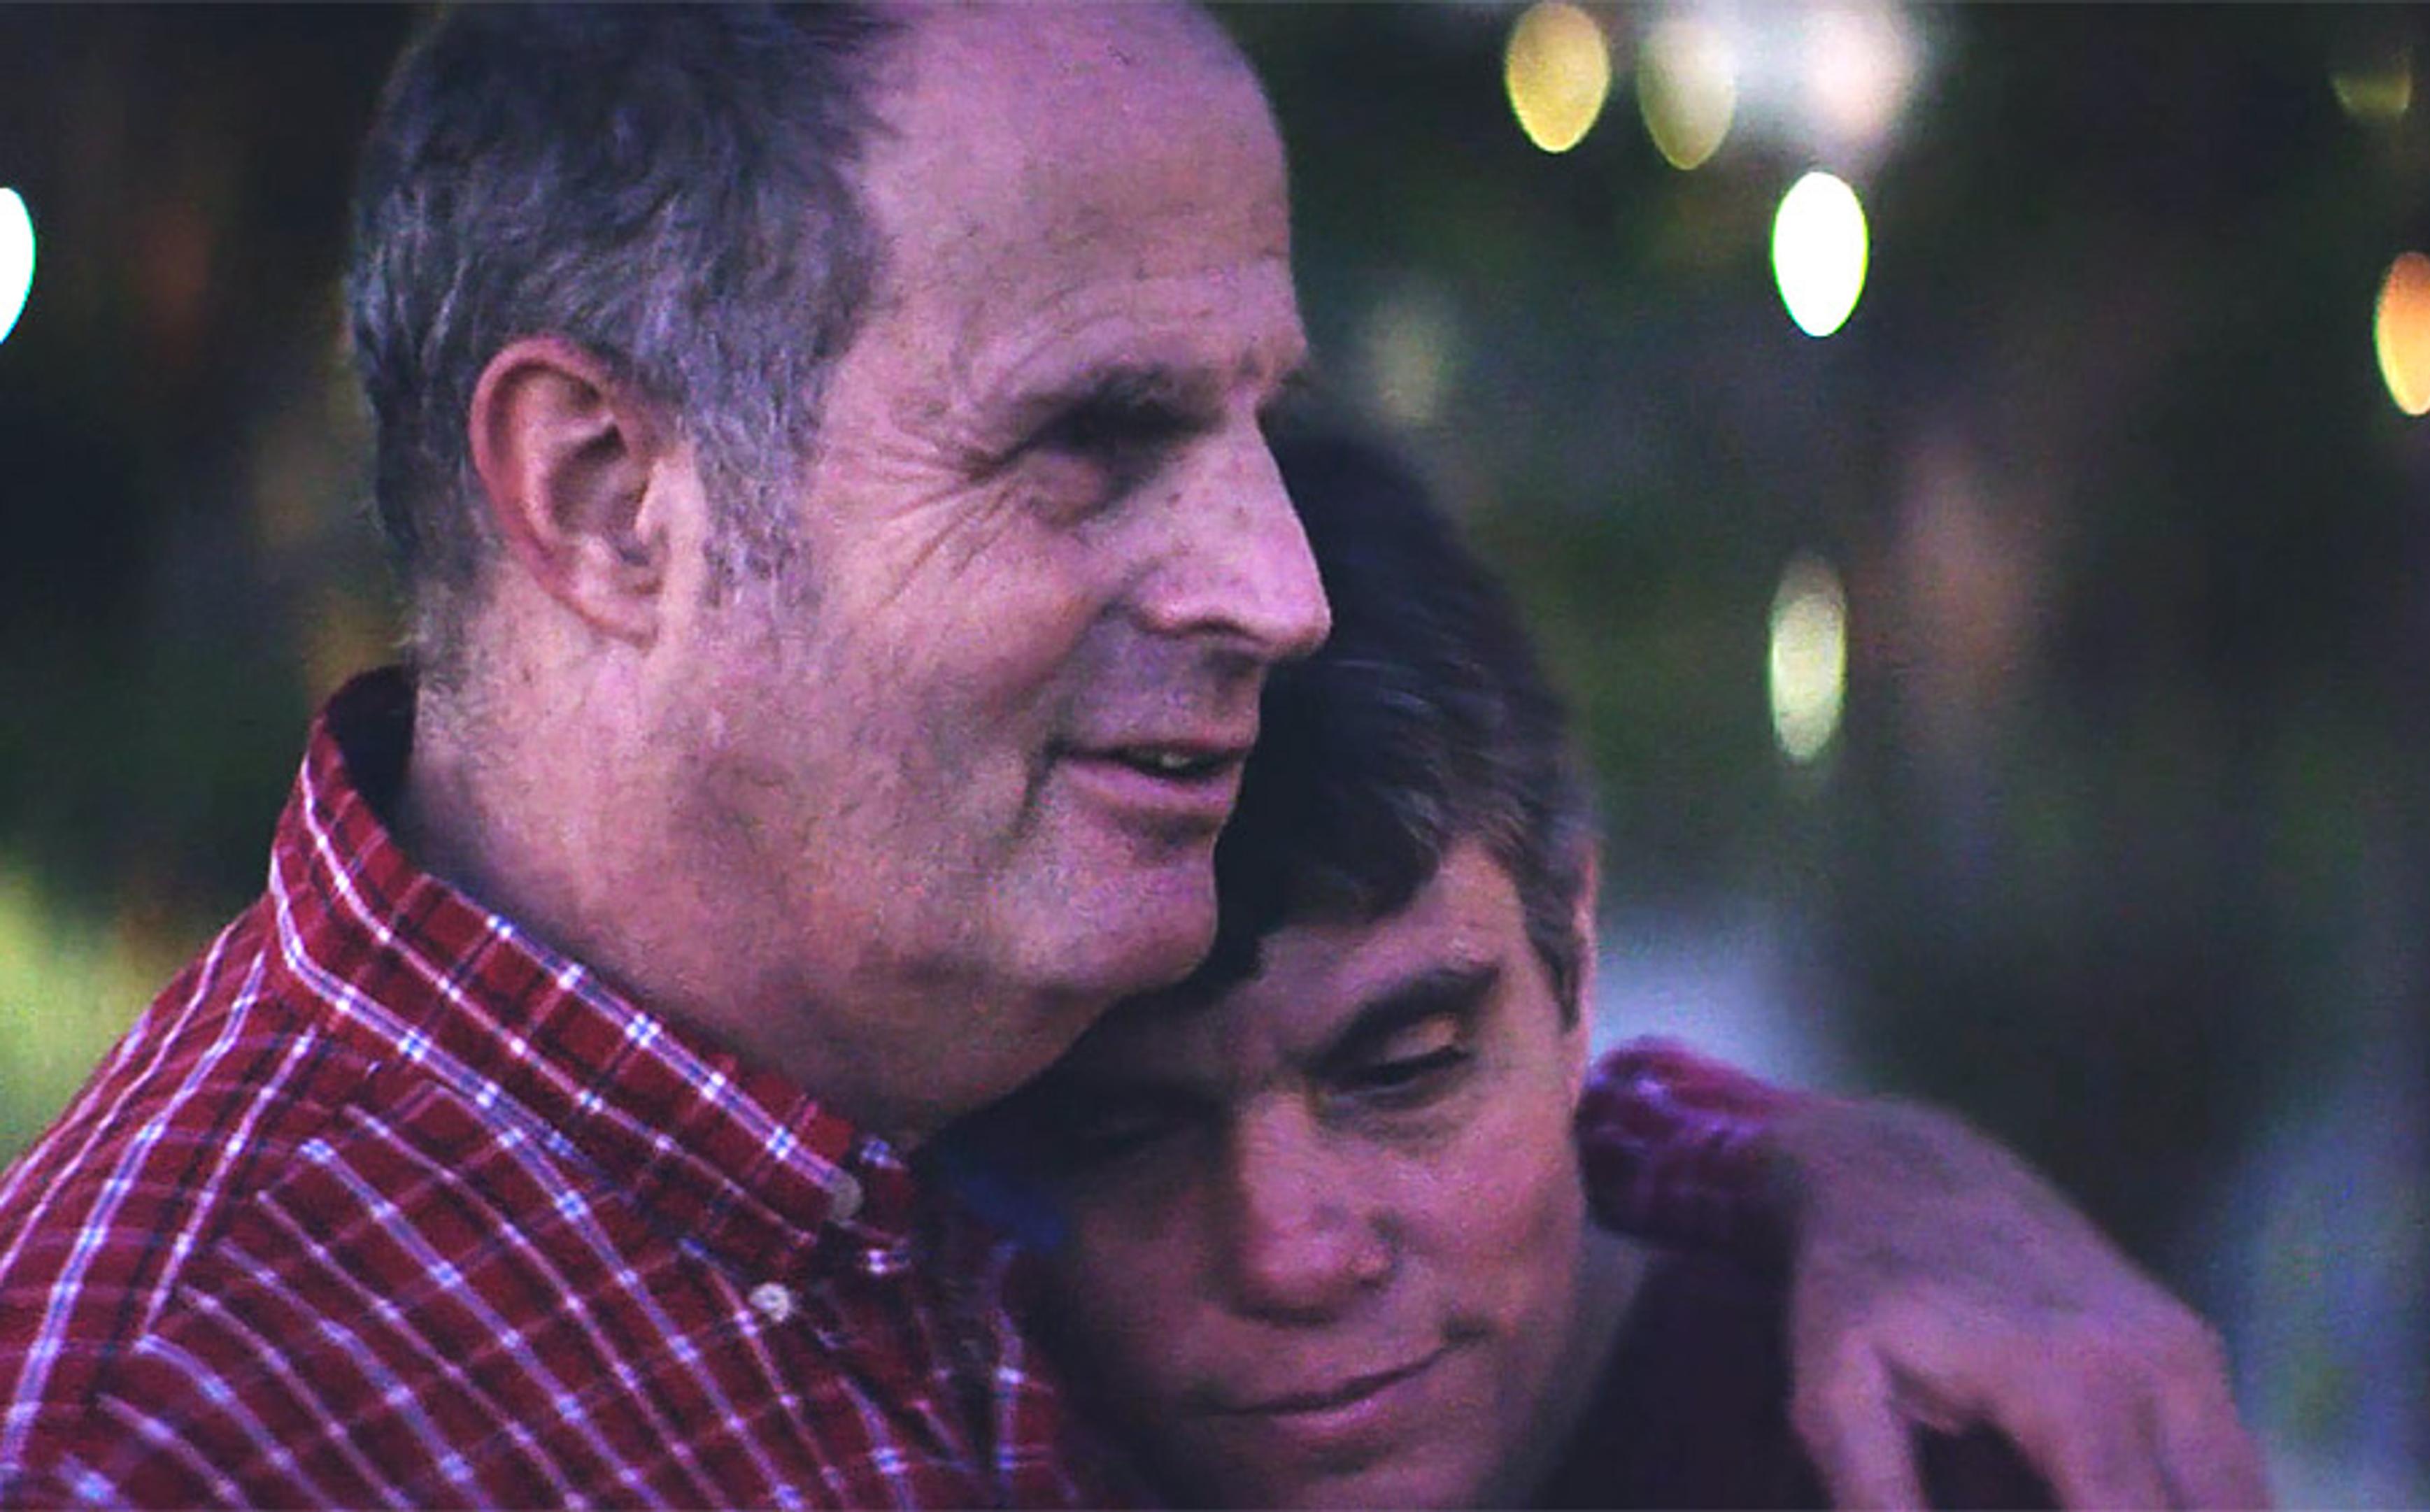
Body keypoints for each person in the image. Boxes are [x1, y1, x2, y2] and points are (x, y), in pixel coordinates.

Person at [0, 7, 2260, 1507]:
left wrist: (1818, 1168)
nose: (1278, 591)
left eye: (1256, 425)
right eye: (1094, 437)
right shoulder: (173, 1428)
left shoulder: (901, 1101)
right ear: (607, 493)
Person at [955, 428, 2257, 1509]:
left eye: (1404, 1071)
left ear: (1574, 953)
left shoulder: (1906, 1468)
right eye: (1124, 1129)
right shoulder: (919, 1391)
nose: (1289, 1252)